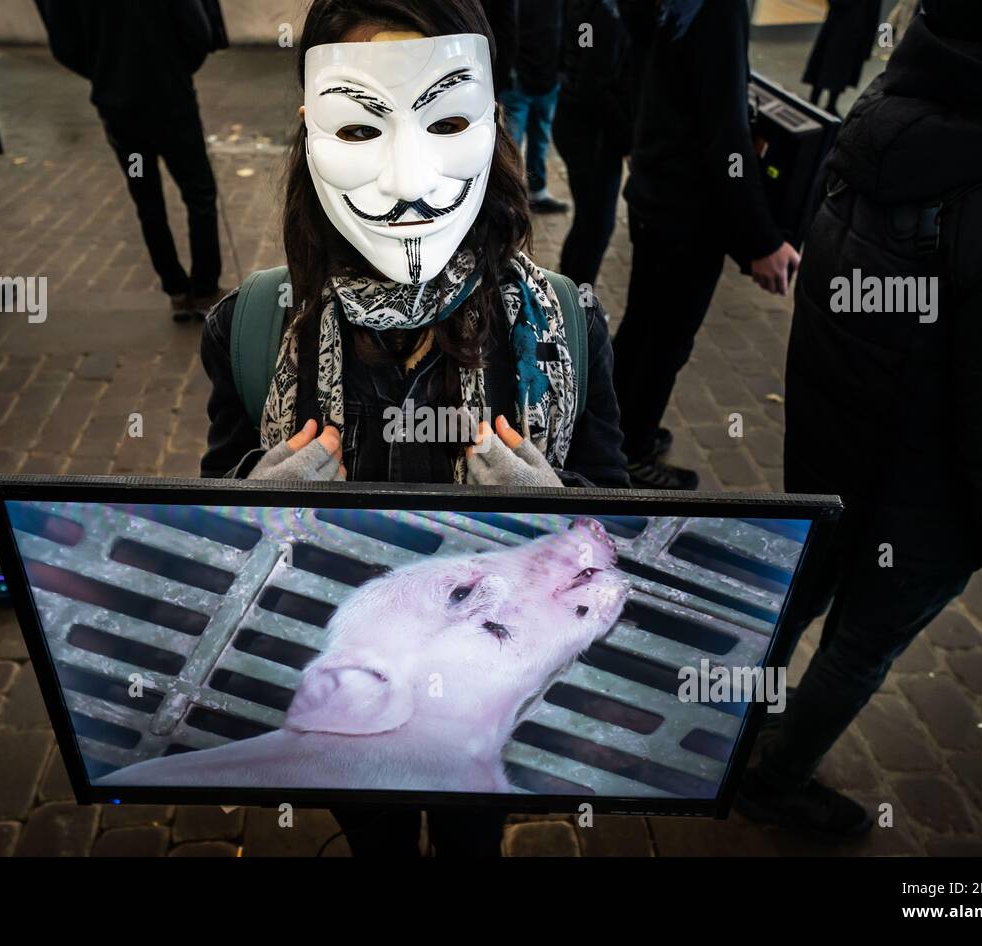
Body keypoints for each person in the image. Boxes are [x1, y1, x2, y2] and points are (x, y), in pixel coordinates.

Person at [199, 0, 629, 855]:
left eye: (446, 120)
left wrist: (557, 501)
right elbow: (209, 514)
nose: (405, 180)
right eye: (361, 128)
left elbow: (612, 508)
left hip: (485, 704)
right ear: (308, 128)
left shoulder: (565, 323)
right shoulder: (249, 328)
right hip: (351, 707)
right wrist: (253, 503)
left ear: (493, 123)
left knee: (473, 838)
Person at [737, 0, 982, 838]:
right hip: (925, 503)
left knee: (799, 601)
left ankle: (733, 730)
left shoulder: (873, 124)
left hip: (830, 444)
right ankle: (773, 779)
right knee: (860, 643)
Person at [613, 0, 801, 491]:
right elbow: (727, 134)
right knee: (665, 338)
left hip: (656, 191)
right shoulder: (720, 9)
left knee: (643, 325)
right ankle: (629, 455)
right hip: (687, 211)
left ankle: (619, 430)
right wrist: (763, 241)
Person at [35, 0, 227, 322]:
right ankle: (205, 290)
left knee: (147, 200)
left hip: (121, 113)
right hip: (172, 104)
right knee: (199, 195)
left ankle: (176, 291)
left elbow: (64, 44)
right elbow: (198, 33)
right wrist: (174, 68)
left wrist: (103, 71)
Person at [554, 0, 631, 288]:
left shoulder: (590, 7)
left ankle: (567, 296)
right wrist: (628, 141)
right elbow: (595, 87)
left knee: (588, 222)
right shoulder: (607, 12)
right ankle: (578, 307)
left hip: (575, 124)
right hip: (593, 136)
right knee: (596, 227)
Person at [495, 0, 571, 214]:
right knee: (512, 144)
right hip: (519, 80)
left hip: (549, 79)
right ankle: (509, 199)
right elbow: (504, 30)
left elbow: (570, 28)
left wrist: (562, 70)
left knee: (540, 138)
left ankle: (537, 193)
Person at [803, 0, 882, 117]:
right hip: (837, 26)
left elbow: (873, 14)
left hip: (855, 31)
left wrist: (867, 44)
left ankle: (830, 103)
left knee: (842, 70)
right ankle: (815, 99)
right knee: (826, 65)